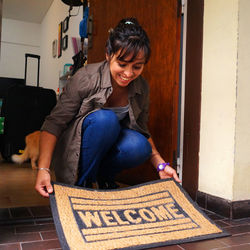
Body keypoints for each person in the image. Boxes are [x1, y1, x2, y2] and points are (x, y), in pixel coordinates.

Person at [35, 17, 181, 198]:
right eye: (122, 64)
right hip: (76, 150)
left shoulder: (141, 87)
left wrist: (160, 164)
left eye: (137, 67)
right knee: (106, 120)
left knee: (139, 145)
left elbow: (142, 129)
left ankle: (104, 178)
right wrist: (43, 169)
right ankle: (82, 187)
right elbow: (54, 123)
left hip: (105, 150)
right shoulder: (85, 77)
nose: (128, 74)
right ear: (108, 54)